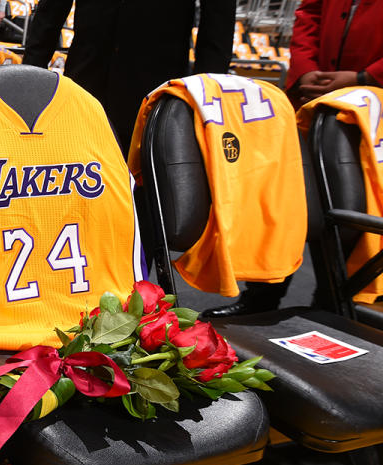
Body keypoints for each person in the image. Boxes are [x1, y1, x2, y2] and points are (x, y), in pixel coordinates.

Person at [203, 0, 383, 318]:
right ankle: (262, 292)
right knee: (281, 192)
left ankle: (333, 301)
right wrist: (304, 71)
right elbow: (309, 11)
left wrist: (366, 77)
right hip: (314, 92)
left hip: (372, 105)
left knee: (353, 208)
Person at [22, 0, 235, 153]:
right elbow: (50, 13)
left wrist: (201, 103)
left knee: (144, 203)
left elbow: (218, 29)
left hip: (155, 101)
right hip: (83, 89)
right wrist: (29, 81)